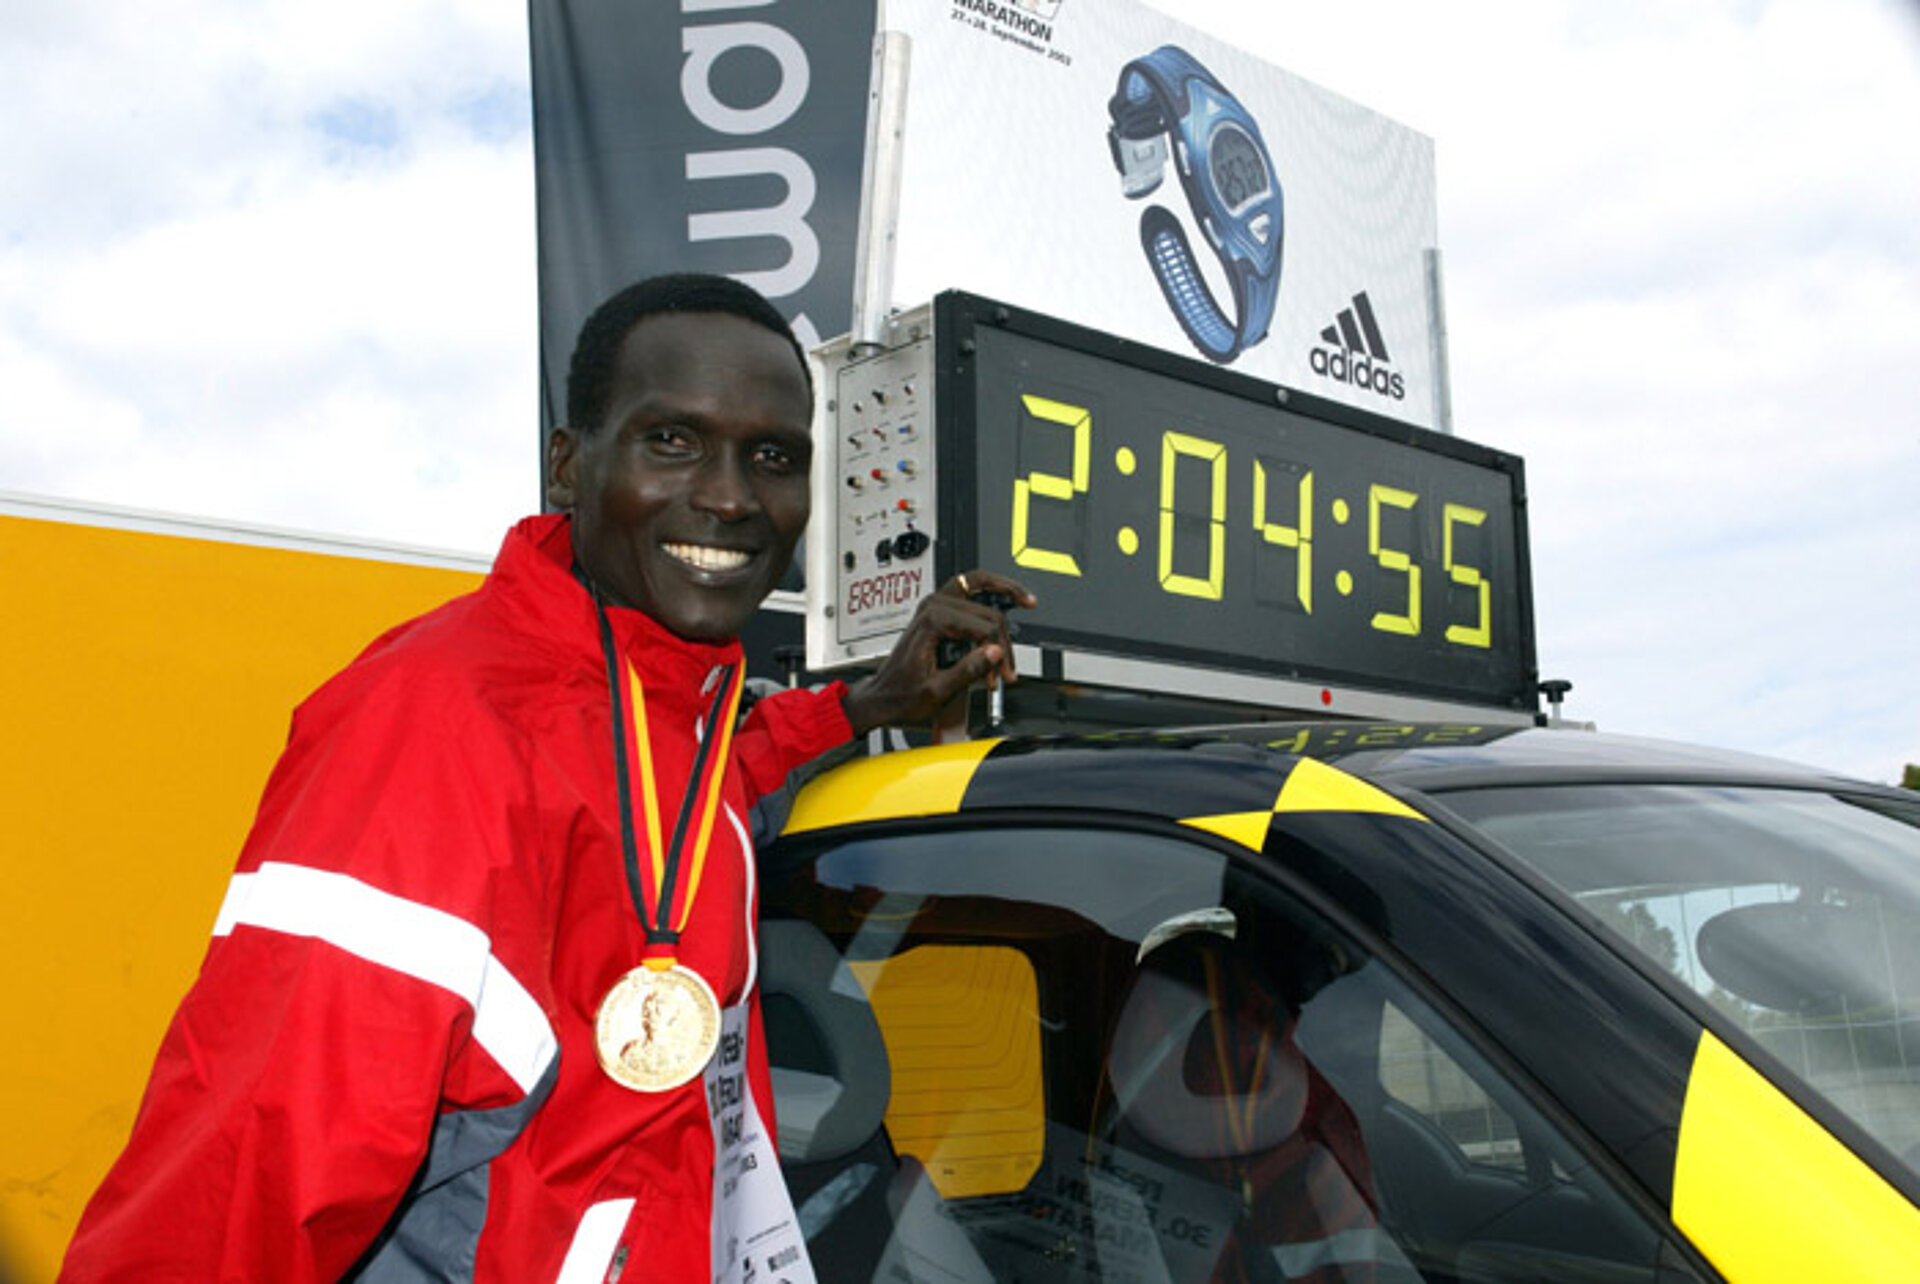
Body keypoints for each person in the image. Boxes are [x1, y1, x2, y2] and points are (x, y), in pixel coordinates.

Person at [59, 273, 1033, 1282]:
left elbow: (676, 805)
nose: (733, 497)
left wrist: (862, 706)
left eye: (773, 457)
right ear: (568, 466)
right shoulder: (433, 731)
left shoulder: (654, 701)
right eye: (674, 441)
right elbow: (251, 1173)